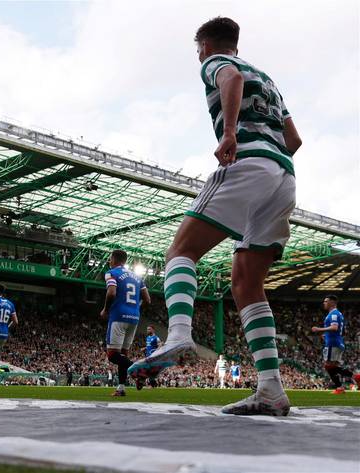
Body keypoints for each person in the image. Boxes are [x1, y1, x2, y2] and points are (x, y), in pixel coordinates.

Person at [129, 17, 302, 416]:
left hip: (249, 165)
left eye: (198, 50)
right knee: (245, 283)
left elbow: (230, 81)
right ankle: (271, 390)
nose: (200, 56)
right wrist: (270, 166)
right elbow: (294, 140)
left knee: (180, 252)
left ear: (205, 46)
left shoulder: (216, 63)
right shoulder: (271, 81)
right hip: (283, 177)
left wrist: (230, 135)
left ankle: (177, 335)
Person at [100, 249, 150, 396]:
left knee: (112, 355)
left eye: (110, 259)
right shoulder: (137, 276)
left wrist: (105, 310)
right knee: (123, 355)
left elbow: (111, 292)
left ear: (114, 259)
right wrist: (136, 308)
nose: (109, 261)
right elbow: (147, 300)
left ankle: (139, 371)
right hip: (134, 318)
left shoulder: (112, 273)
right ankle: (121, 388)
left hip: (118, 316)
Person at [311, 295, 360, 394]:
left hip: (333, 343)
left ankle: (355, 377)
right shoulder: (337, 314)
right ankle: (340, 387)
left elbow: (334, 327)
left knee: (328, 366)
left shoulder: (333, 314)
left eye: (326, 301)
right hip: (337, 342)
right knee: (334, 367)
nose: (324, 303)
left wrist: (319, 329)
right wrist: (326, 334)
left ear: (332, 303)